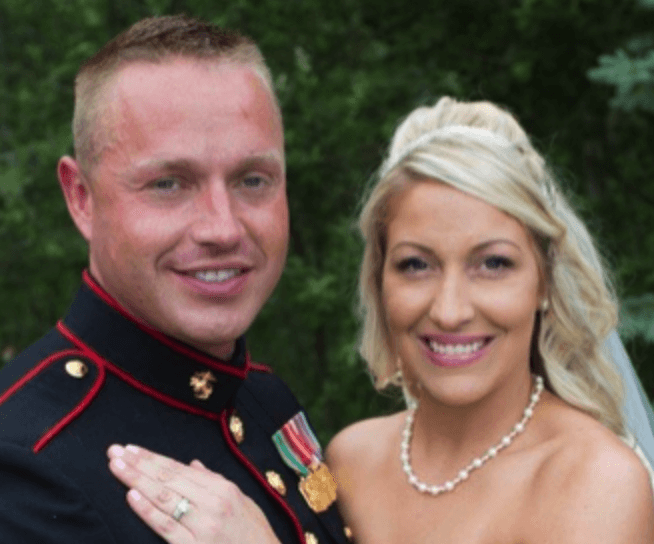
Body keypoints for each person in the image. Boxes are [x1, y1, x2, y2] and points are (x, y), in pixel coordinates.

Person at [107, 96, 654, 544]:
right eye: (416, 265)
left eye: (493, 264)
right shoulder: (350, 459)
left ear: (544, 282)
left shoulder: (596, 480)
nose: (450, 309)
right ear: (379, 281)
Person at [0, 15, 348, 544]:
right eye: (168, 184)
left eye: (252, 180)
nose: (222, 228)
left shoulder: (265, 399)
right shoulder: (23, 465)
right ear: (81, 198)